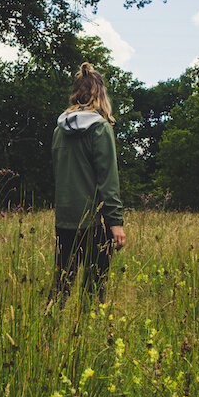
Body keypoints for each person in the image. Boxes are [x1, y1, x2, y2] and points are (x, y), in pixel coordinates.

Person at [51, 62, 127, 303]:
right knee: (94, 293)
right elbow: (108, 179)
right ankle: (86, 335)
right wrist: (115, 222)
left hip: (64, 219)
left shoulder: (59, 130)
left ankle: (49, 333)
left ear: (76, 93)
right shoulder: (100, 129)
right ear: (101, 94)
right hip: (93, 221)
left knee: (61, 287)